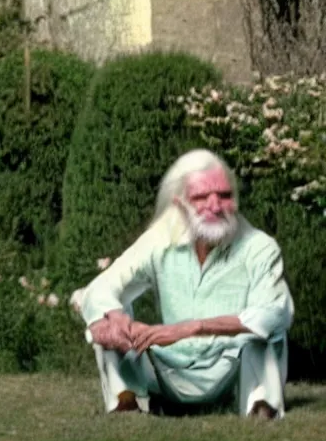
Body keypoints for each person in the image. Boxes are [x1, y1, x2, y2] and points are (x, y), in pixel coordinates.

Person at [76, 149, 294, 420]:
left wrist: (193, 327)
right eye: (202, 197)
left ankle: (261, 406)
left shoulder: (259, 247)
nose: (216, 206)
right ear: (180, 204)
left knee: (266, 330)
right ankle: (127, 404)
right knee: (106, 314)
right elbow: (102, 286)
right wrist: (117, 319)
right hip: (167, 367)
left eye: (224, 196)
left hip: (229, 369)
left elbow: (275, 313)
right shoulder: (161, 240)